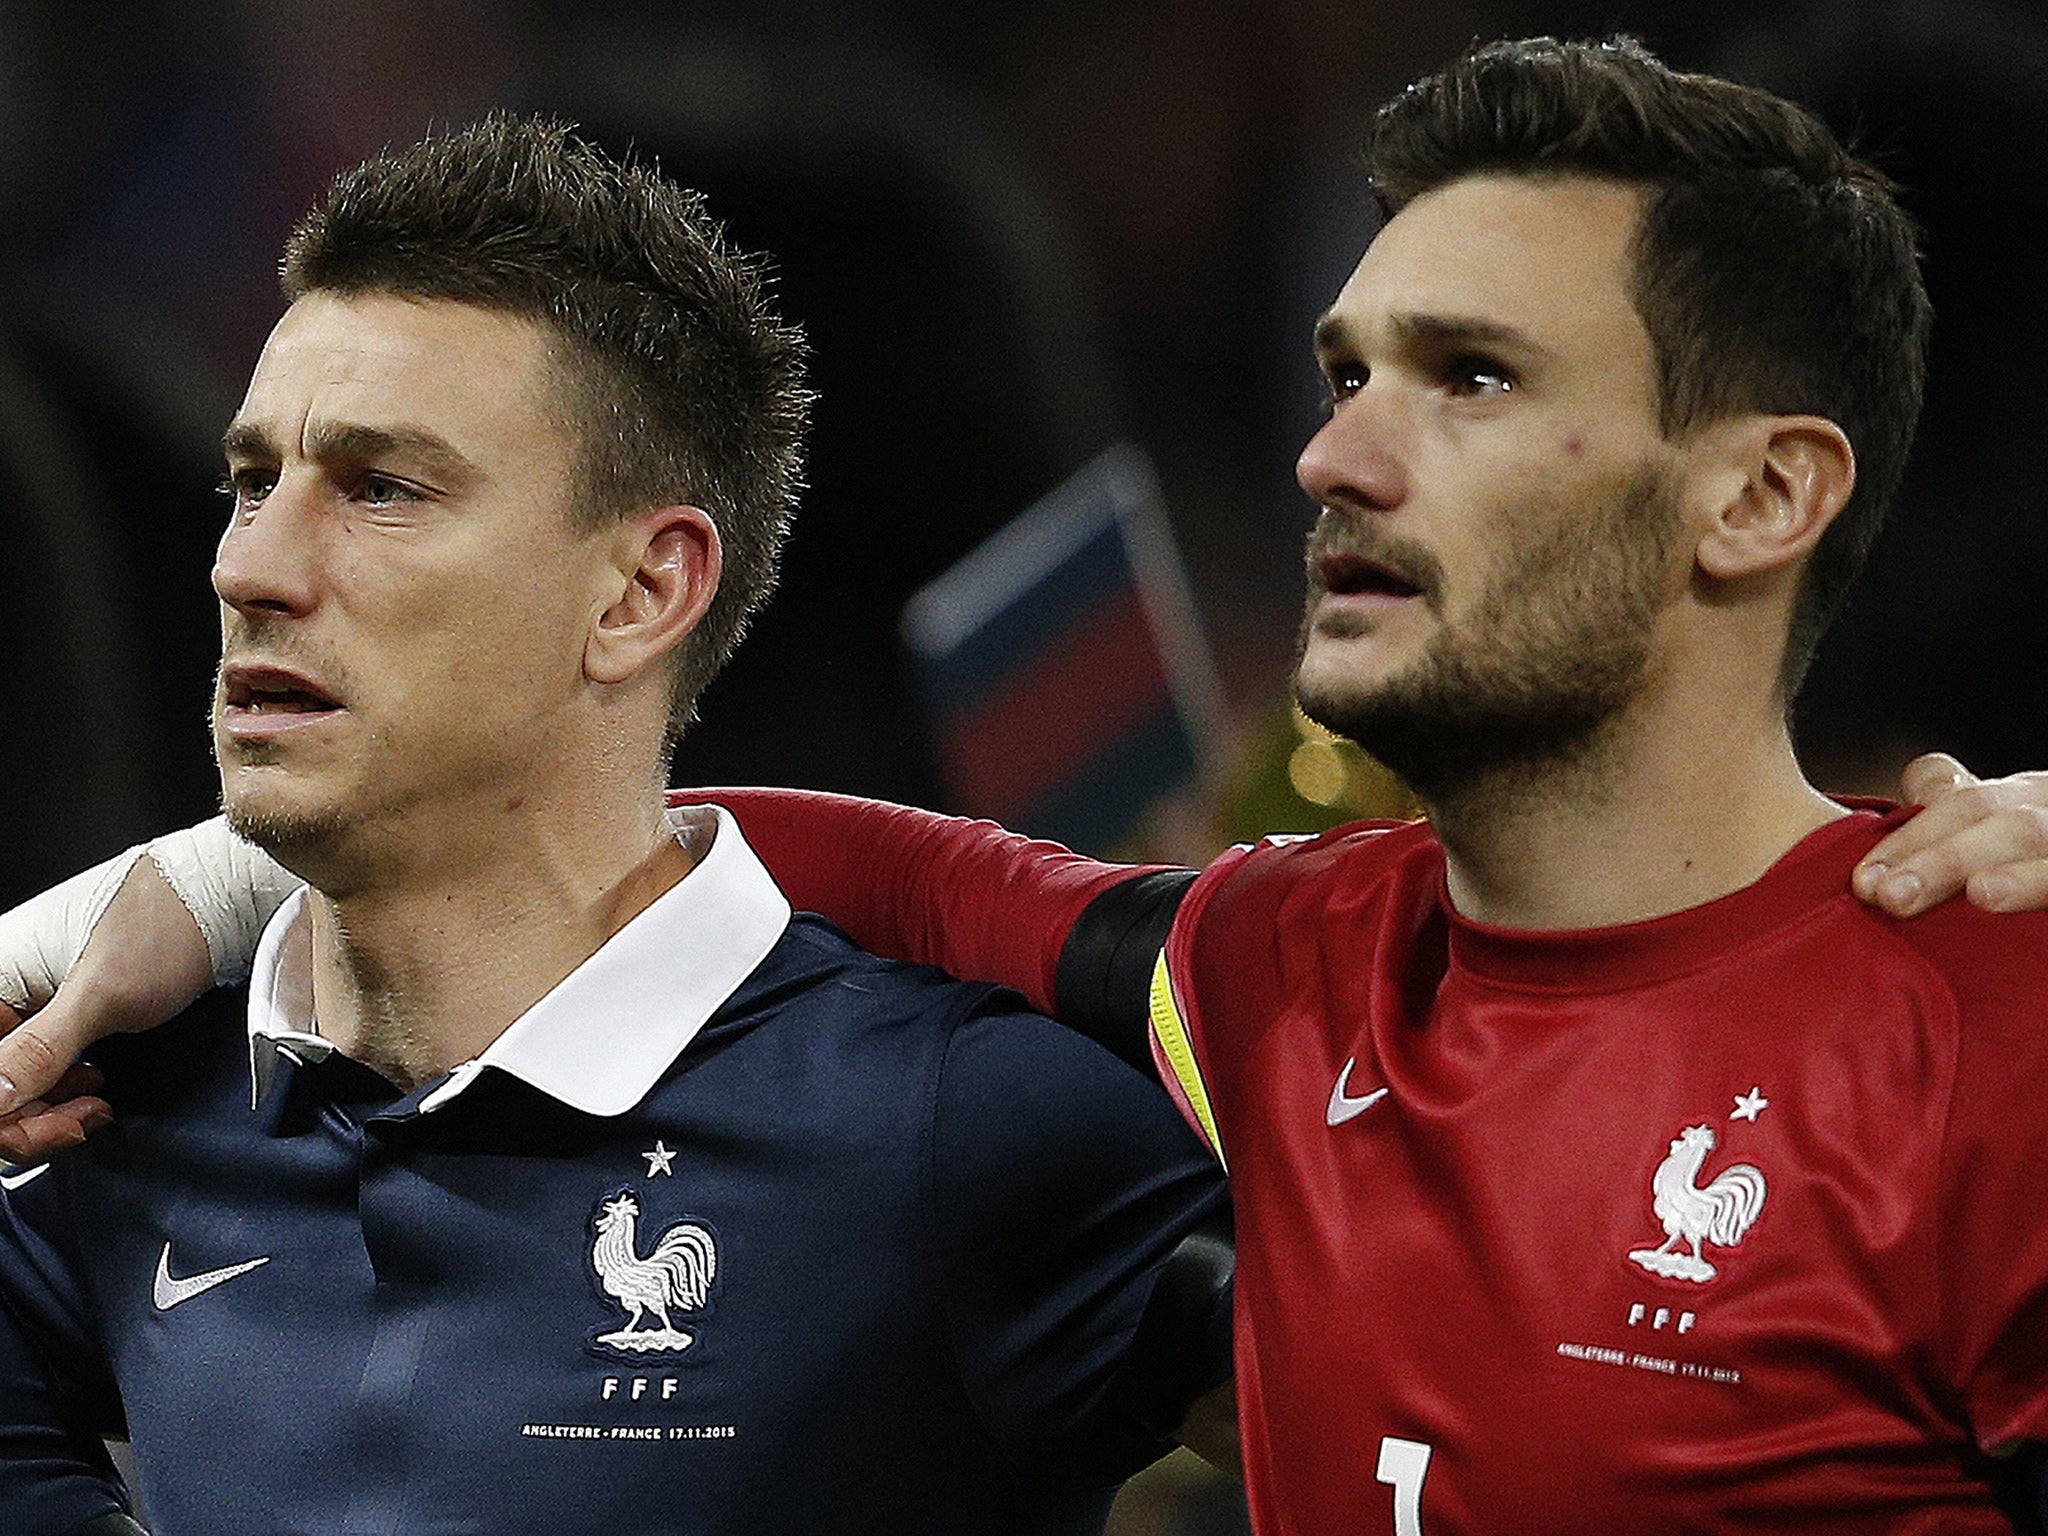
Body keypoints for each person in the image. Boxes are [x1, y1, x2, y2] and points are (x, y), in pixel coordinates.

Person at [4, 32, 2048, 1536]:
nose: (1332, 454)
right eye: (1342, 374)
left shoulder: (1985, 1018)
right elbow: (822, 853)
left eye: (1475, 377)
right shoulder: (1272, 961)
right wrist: (201, 881)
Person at [0, 115, 1235, 1536]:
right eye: (255, 480)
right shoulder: (120, 1118)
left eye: (381, 488)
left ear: (641, 592)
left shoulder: (954, 1127)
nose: (255, 565)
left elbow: (1467, 1435)